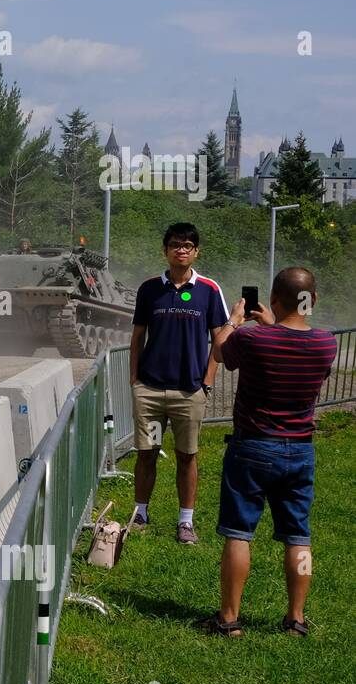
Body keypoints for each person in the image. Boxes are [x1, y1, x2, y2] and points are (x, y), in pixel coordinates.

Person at [202, 267, 338, 637]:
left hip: (253, 446)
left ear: (274, 297)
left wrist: (234, 320)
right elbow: (295, 340)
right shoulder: (328, 343)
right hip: (300, 451)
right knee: (299, 537)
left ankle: (229, 619)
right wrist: (275, 321)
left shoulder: (254, 339)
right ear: (313, 300)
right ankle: (296, 618)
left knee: (239, 533)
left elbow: (220, 351)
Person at [129, 222, 230, 543]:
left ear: (196, 251)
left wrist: (208, 381)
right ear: (165, 250)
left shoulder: (209, 291)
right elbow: (137, 337)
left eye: (187, 245)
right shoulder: (149, 289)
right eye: (175, 244)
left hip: (188, 392)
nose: (181, 249)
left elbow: (220, 340)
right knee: (147, 451)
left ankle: (185, 522)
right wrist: (134, 380)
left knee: (187, 455)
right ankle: (140, 513)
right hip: (151, 392)